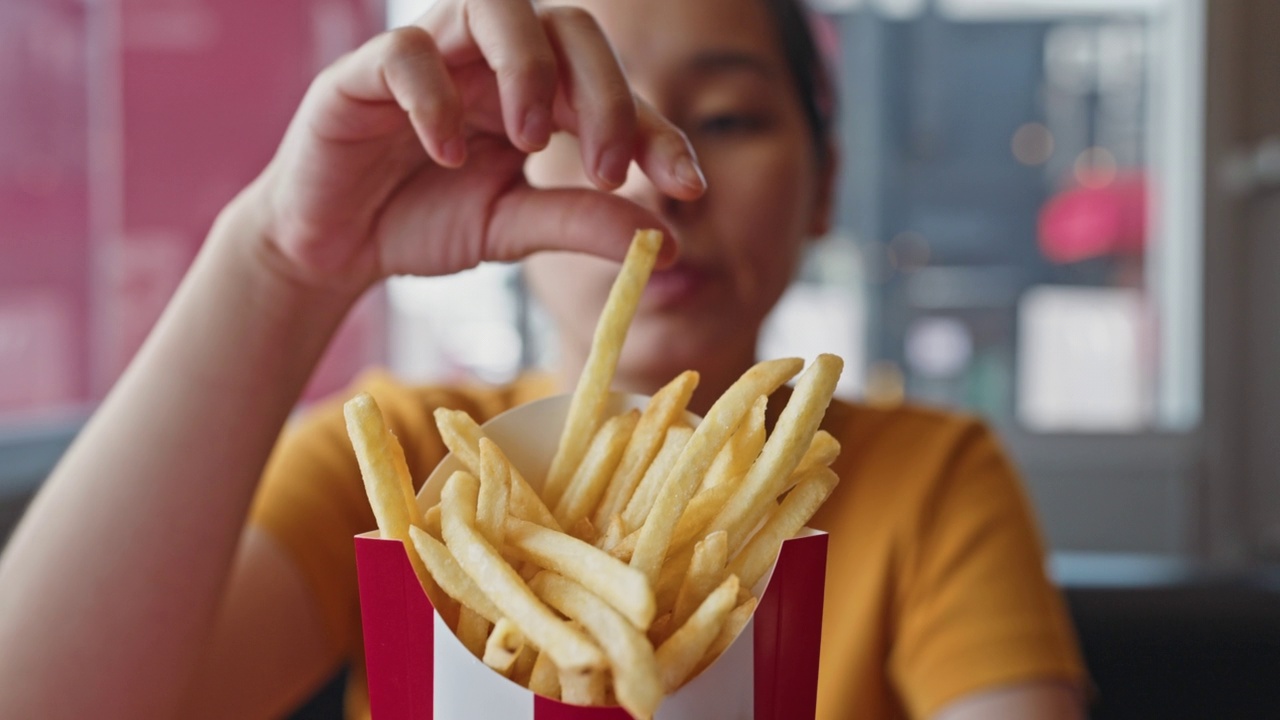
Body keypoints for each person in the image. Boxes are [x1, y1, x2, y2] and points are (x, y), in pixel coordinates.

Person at [0, 0, 1087, 718]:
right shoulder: (410, 463)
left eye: (730, 116)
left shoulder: (926, 480)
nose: (660, 182)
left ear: (824, 183)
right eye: (588, 120)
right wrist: (282, 263)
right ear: (499, 153)